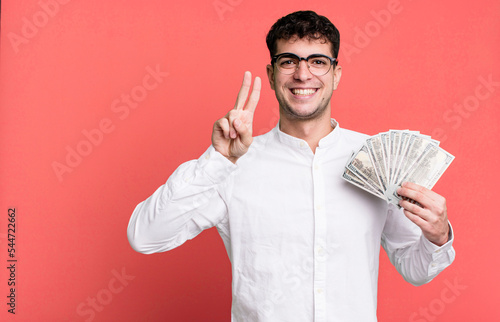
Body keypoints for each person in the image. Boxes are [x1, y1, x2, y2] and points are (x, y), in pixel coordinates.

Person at [127, 10, 455, 321]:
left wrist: (437, 237)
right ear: (271, 75)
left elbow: (415, 269)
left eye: (318, 62)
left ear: (336, 74)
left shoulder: (377, 159)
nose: (302, 74)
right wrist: (217, 160)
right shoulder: (233, 164)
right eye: (289, 61)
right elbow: (146, 236)